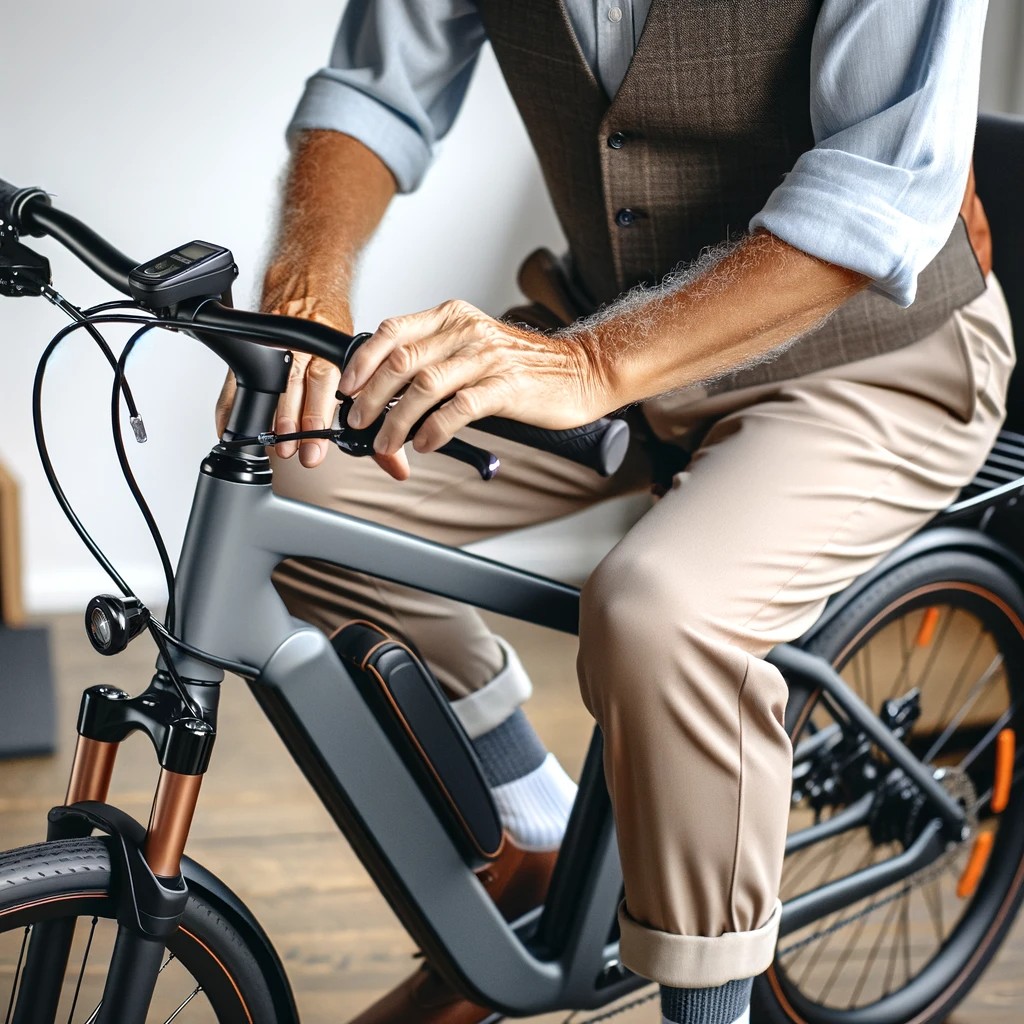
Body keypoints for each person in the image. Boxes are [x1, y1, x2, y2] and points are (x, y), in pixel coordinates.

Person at [218, 3, 1012, 1023]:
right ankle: (532, 835)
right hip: (620, 324)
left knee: (658, 611)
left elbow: (873, 197)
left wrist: (589, 363)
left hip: (873, 355)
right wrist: (306, 281)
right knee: (300, 482)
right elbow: (376, 91)